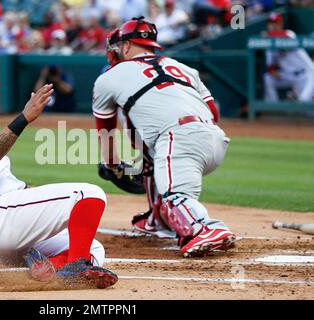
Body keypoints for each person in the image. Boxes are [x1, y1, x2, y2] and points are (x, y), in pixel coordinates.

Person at [0, 59, 117, 288]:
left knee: (95, 249)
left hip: (4, 225)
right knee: (89, 194)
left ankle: (51, 268)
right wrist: (24, 117)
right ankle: (76, 266)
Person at [93, 17, 236, 258]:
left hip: (179, 139)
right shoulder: (184, 68)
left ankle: (205, 228)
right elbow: (214, 112)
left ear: (126, 46)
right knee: (150, 157)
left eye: (117, 47)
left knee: (176, 197)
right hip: (215, 139)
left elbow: (106, 130)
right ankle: (159, 219)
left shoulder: (109, 78)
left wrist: (112, 166)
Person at [263, 13, 314, 102]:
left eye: (276, 23)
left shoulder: (289, 34)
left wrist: (268, 35)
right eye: (271, 24)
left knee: (305, 108)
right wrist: (272, 70)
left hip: (304, 75)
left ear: (281, 24)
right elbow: (270, 65)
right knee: (268, 78)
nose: (273, 26)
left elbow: (284, 37)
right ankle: (273, 108)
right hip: (286, 76)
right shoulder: (269, 45)